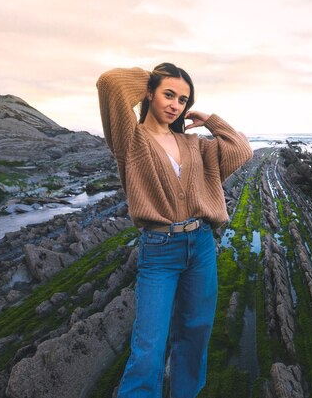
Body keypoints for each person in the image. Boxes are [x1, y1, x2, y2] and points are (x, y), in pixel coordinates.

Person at [97, 63, 253, 398]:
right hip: (158, 250)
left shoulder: (195, 144)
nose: (175, 105)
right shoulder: (131, 140)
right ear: (150, 93)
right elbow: (109, 82)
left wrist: (210, 120)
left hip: (200, 245)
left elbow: (242, 150)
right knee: (148, 347)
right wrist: (149, 79)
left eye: (182, 99)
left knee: (195, 334)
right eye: (169, 94)